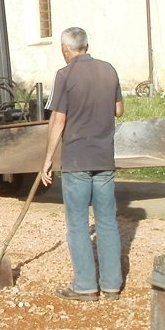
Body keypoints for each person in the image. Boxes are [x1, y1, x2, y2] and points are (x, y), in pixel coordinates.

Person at [41, 26, 124, 303]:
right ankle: (112, 285)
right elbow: (118, 110)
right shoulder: (109, 70)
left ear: (66, 50)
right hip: (104, 158)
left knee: (77, 223)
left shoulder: (65, 74)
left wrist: (48, 160)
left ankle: (86, 286)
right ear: (86, 45)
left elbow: (59, 120)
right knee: (107, 222)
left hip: (77, 160)